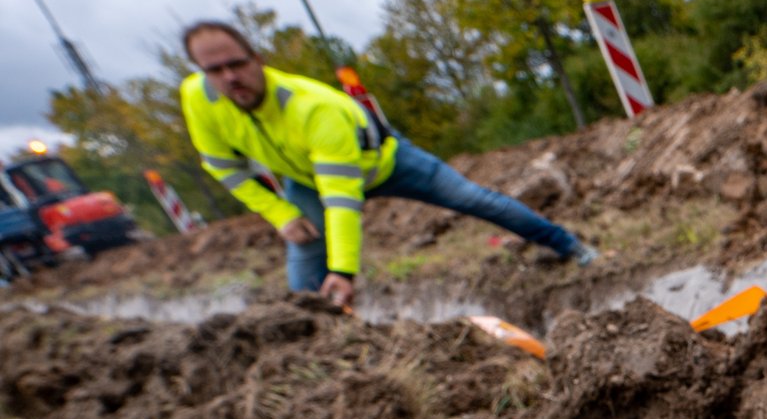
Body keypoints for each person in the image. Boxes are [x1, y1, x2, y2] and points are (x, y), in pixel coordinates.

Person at [178, 21, 597, 308]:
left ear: (257, 58)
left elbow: (342, 202)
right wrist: (280, 213)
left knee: (475, 199)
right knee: (302, 245)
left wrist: (344, 271)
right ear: (202, 73)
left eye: (237, 64)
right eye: (215, 70)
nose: (230, 77)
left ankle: (571, 247)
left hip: (388, 165)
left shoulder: (313, 109)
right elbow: (224, 168)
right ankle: (311, 333)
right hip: (305, 180)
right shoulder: (199, 98)